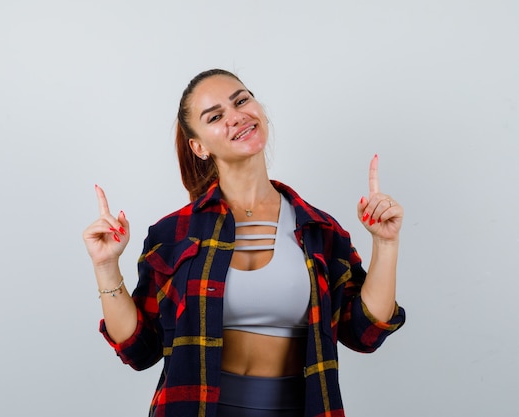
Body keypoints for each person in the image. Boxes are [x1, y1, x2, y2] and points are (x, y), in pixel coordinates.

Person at [82, 68, 406, 417]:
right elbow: (140, 351)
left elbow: (366, 333)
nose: (236, 116)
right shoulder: (172, 234)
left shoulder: (319, 230)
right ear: (199, 146)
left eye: (241, 100)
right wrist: (106, 266)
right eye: (216, 116)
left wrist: (386, 244)